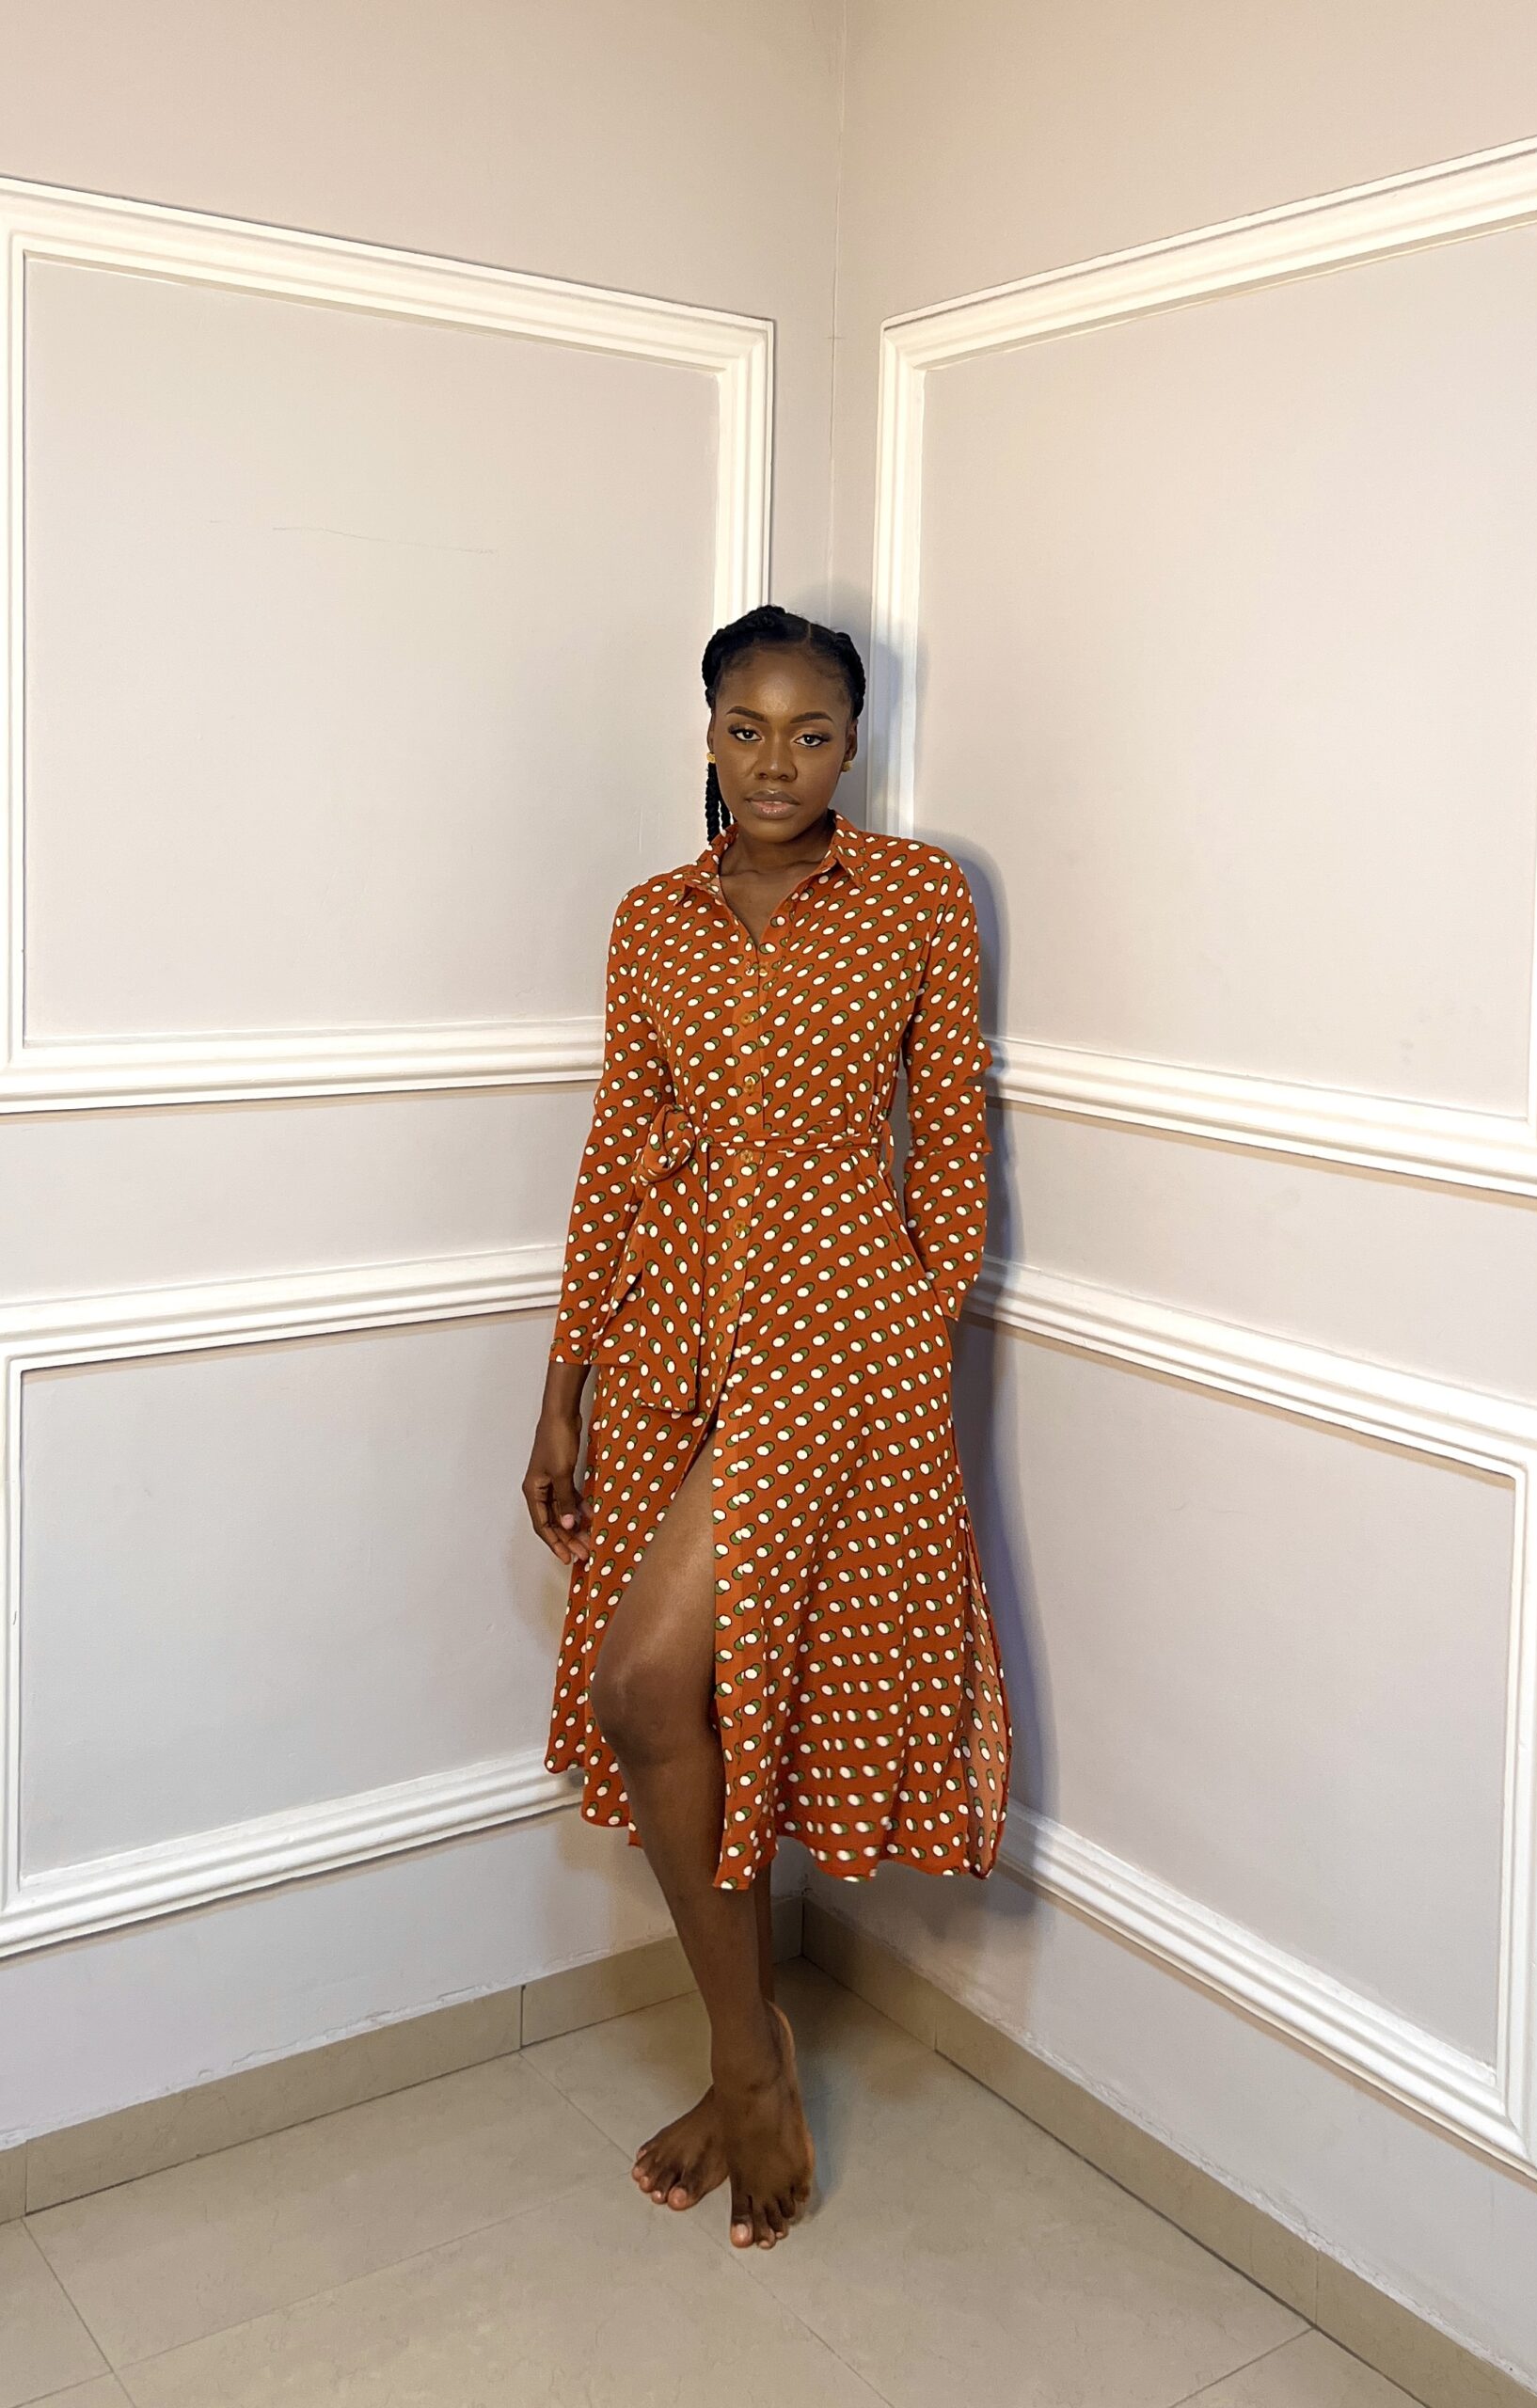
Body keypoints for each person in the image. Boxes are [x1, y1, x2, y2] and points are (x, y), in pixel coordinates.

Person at [521, 603, 1013, 2252]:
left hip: (836, 1338)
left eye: (811, 732)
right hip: (669, 1329)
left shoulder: (918, 896)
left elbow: (952, 1137)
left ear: (854, 743)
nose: (777, 762)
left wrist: (910, 1326)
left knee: (644, 1680)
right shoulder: (649, 917)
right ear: (708, 736)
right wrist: (560, 1389)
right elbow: (615, 1150)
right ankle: (752, 2060)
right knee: (681, 1705)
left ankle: (746, 2070)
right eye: (748, 729)